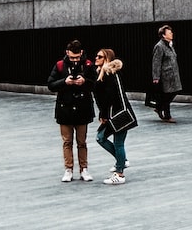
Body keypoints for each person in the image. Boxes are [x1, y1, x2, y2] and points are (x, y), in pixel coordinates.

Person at [48, 39, 97, 183]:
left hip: (82, 108)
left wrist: (85, 81)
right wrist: (65, 81)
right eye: (72, 57)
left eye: (77, 57)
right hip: (65, 108)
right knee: (67, 141)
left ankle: (84, 169)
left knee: (82, 142)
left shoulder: (88, 65)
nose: (75, 60)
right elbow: (50, 84)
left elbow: (95, 84)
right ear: (67, 53)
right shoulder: (60, 65)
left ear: (81, 53)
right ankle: (68, 169)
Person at [92, 48, 136, 185]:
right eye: (96, 56)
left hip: (119, 115)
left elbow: (113, 97)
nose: (96, 58)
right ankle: (122, 161)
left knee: (117, 143)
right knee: (101, 138)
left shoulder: (112, 73)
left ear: (106, 59)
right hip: (112, 115)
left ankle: (120, 173)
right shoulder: (101, 73)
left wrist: (105, 114)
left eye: (99, 56)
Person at [150, 24, 182, 122]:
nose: (171, 33)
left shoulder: (170, 45)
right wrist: (156, 77)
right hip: (166, 75)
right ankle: (167, 116)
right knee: (167, 94)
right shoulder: (159, 46)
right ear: (164, 35)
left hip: (174, 75)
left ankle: (159, 107)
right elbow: (156, 62)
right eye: (169, 32)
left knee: (175, 91)